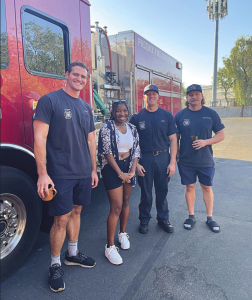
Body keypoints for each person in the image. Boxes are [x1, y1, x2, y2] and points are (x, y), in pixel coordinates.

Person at [33, 62, 98, 292]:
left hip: (82, 171)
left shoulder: (85, 107)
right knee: (61, 219)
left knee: (77, 211)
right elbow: (39, 139)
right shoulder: (49, 101)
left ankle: (72, 253)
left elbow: (91, 140)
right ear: (67, 75)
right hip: (60, 173)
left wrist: (93, 169)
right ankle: (55, 265)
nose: (80, 79)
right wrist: (43, 174)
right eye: (76, 75)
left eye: (84, 76)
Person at [175, 84, 225, 233]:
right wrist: (176, 154)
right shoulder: (180, 115)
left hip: (205, 160)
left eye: (197, 94)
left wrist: (205, 142)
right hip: (186, 160)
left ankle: (210, 218)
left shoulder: (211, 114)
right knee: (189, 187)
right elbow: (174, 137)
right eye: (191, 95)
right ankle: (191, 216)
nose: (194, 97)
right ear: (187, 97)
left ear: (202, 96)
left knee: (206, 188)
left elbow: (221, 135)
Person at [130, 84, 177, 234]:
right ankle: (144, 220)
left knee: (162, 190)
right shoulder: (136, 118)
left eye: (153, 94)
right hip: (145, 159)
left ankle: (163, 219)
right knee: (145, 192)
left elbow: (173, 140)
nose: (151, 97)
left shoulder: (167, 116)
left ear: (158, 97)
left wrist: (172, 162)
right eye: (148, 94)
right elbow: (132, 144)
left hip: (163, 157)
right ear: (144, 97)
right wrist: (136, 164)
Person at [98, 100, 140, 265]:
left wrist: (131, 171)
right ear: (113, 112)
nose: (122, 114)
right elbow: (107, 153)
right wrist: (120, 173)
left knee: (126, 201)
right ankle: (109, 246)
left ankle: (122, 233)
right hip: (112, 168)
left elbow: (136, 151)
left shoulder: (133, 128)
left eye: (125, 111)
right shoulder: (107, 128)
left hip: (128, 167)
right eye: (118, 111)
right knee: (115, 206)